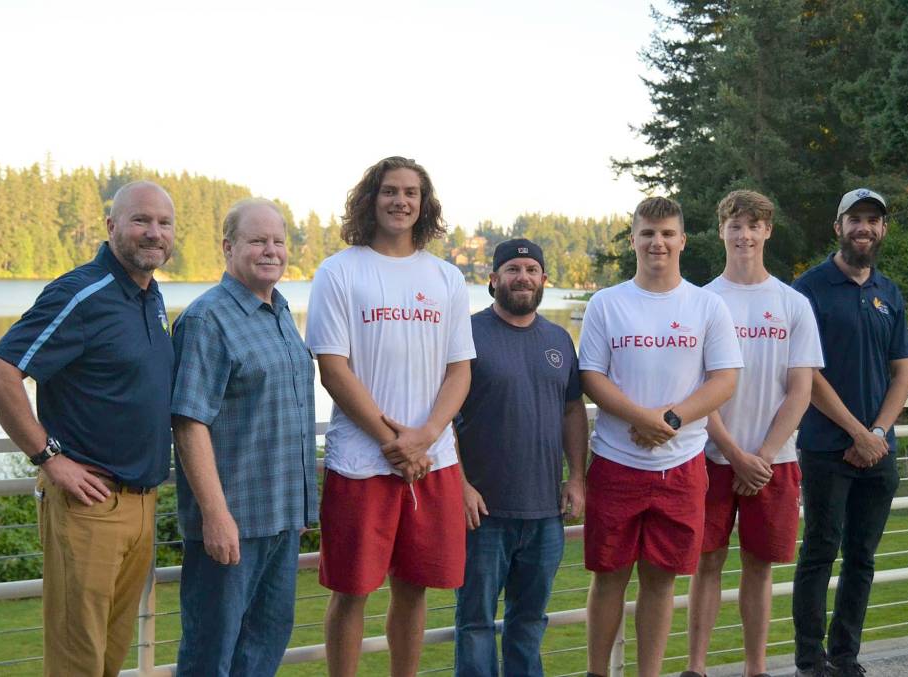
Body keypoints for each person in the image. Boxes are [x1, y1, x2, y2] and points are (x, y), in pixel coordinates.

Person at [0, 181, 175, 677]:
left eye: (165, 223)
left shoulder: (150, 297)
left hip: (144, 503)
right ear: (111, 227)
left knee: (109, 659)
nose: (154, 233)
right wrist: (50, 458)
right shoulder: (80, 293)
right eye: (141, 220)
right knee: (77, 662)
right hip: (90, 508)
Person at [306, 156, 476, 677]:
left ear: (424, 205)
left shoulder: (446, 278)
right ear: (370, 199)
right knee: (351, 591)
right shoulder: (340, 271)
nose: (400, 201)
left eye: (411, 193)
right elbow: (333, 369)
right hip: (363, 461)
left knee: (414, 586)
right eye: (389, 191)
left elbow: (460, 372)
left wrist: (424, 437)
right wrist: (392, 441)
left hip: (432, 461)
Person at [578, 196, 743, 677]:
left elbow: (724, 379)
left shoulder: (707, 305)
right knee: (609, 577)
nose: (658, 242)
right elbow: (592, 376)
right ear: (633, 239)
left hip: (681, 467)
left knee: (661, 580)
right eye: (648, 233)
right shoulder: (607, 303)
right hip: (615, 463)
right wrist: (641, 418)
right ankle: (597, 672)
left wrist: (669, 419)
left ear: (683, 241)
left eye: (668, 233)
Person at [170, 198, 318, 676]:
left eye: (278, 241)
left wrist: (299, 507)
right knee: (211, 654)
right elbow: (188, 423)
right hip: (232, 524)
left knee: (262, 651)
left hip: (280, 521)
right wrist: (215, 516)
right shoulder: (206, 320)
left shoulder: (279, 310)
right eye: (258, 241)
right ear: (228, 247)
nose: (271, 250)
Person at [683, 191, 824, 677]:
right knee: (706, 565)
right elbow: (700, 388)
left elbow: (800, 390)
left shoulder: (793, 304)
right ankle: (696, 668)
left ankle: (755, 668)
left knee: (759, 568)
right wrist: (733, 453)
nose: (744, 235)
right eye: (734, 225)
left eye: (753, 225)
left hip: (775, 460)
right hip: (710, 457)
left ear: (767, 231)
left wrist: (759, 457)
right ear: (721, 231)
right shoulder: (701, 300)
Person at [453, 238, 589, 677]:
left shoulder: (558, 340)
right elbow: (443, 417)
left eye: (532, 269)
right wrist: (460, 485)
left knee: (529, 621)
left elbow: (572, 410)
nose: (523, 277)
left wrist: (577, 478)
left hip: (544, 512)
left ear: (544, 279)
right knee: (474, 623)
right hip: (483, 512)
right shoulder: (467, 334)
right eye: (513, 269)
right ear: (493, 280)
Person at [791, 189, 908, 677]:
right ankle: (809, 659)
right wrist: (857, 433)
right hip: (825, 447)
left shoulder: (890, 292)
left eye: (873, 220)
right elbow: (807, 375)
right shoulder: (808, 289)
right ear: (837, 226)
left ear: (882, 230)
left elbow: (902, 374)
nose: (864, 227)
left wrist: (878, 432)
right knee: (820, 552)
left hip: (879, 450)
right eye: (855, 219)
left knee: (861, 558)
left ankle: (846, 657)